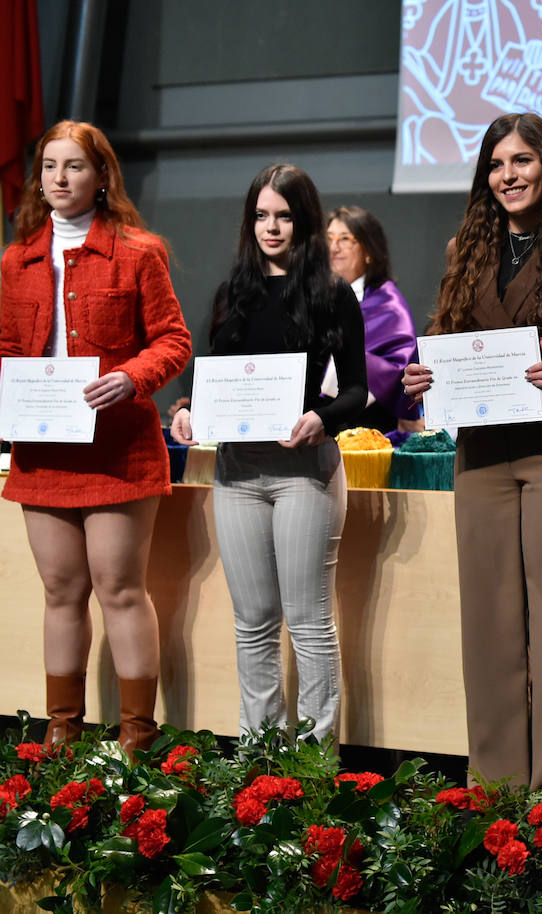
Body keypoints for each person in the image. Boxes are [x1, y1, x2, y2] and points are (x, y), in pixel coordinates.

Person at [402, 113, 542, 788]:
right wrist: (424, 374)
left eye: (523, 160)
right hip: (482, 456)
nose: (509, 175)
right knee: (490, 626)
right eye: (497, 164)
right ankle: (494, 787)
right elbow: (447, 338)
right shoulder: (462, 250)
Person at [0, 120, 192, 753]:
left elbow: (173, 340)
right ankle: (62, 734)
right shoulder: (17, 258)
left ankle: (137, 736)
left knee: (119, 588)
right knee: (61, 591)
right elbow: (5, 349)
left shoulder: (140, 251)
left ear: (102, 175)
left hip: (118, 450)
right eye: (50, 166)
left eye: (74, 166)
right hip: (43, 451)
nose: (60, 177)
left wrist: (132, 379)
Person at [171, 164, 366, 744]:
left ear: (303, 221)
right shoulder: (233, 292)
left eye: (283, 216)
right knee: (253, 622)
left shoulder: (331, 294)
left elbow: (357, 391)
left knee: (309, 624)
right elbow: (210, 382)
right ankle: (257, 761)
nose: (271, 227)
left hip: (304, 473)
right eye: (261, 215)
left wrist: (320, 419)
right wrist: (186, 409)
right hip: (236, 473)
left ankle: (312, 762)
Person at [324, 206, 423, 439]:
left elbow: (397, 369)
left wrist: (328, 361)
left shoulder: (387, 303)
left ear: (368, 250)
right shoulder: (314, 296)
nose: (333, 247)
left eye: (345, 239)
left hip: (370, 427)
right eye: (328, 239)